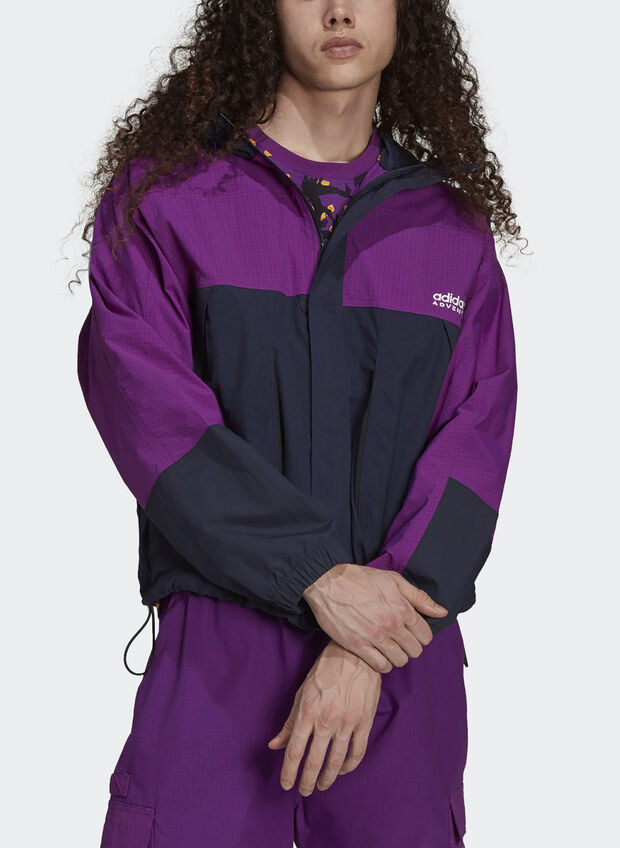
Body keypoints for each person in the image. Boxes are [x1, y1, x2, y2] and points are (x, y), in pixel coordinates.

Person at [74, 2, 523, 846]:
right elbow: (152, 420)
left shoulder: (451, 233)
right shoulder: (169, 202)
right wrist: (316, 576)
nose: (339, 8)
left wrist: (365, 643)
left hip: (401, 652)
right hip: (219, 653)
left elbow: (476, 445)